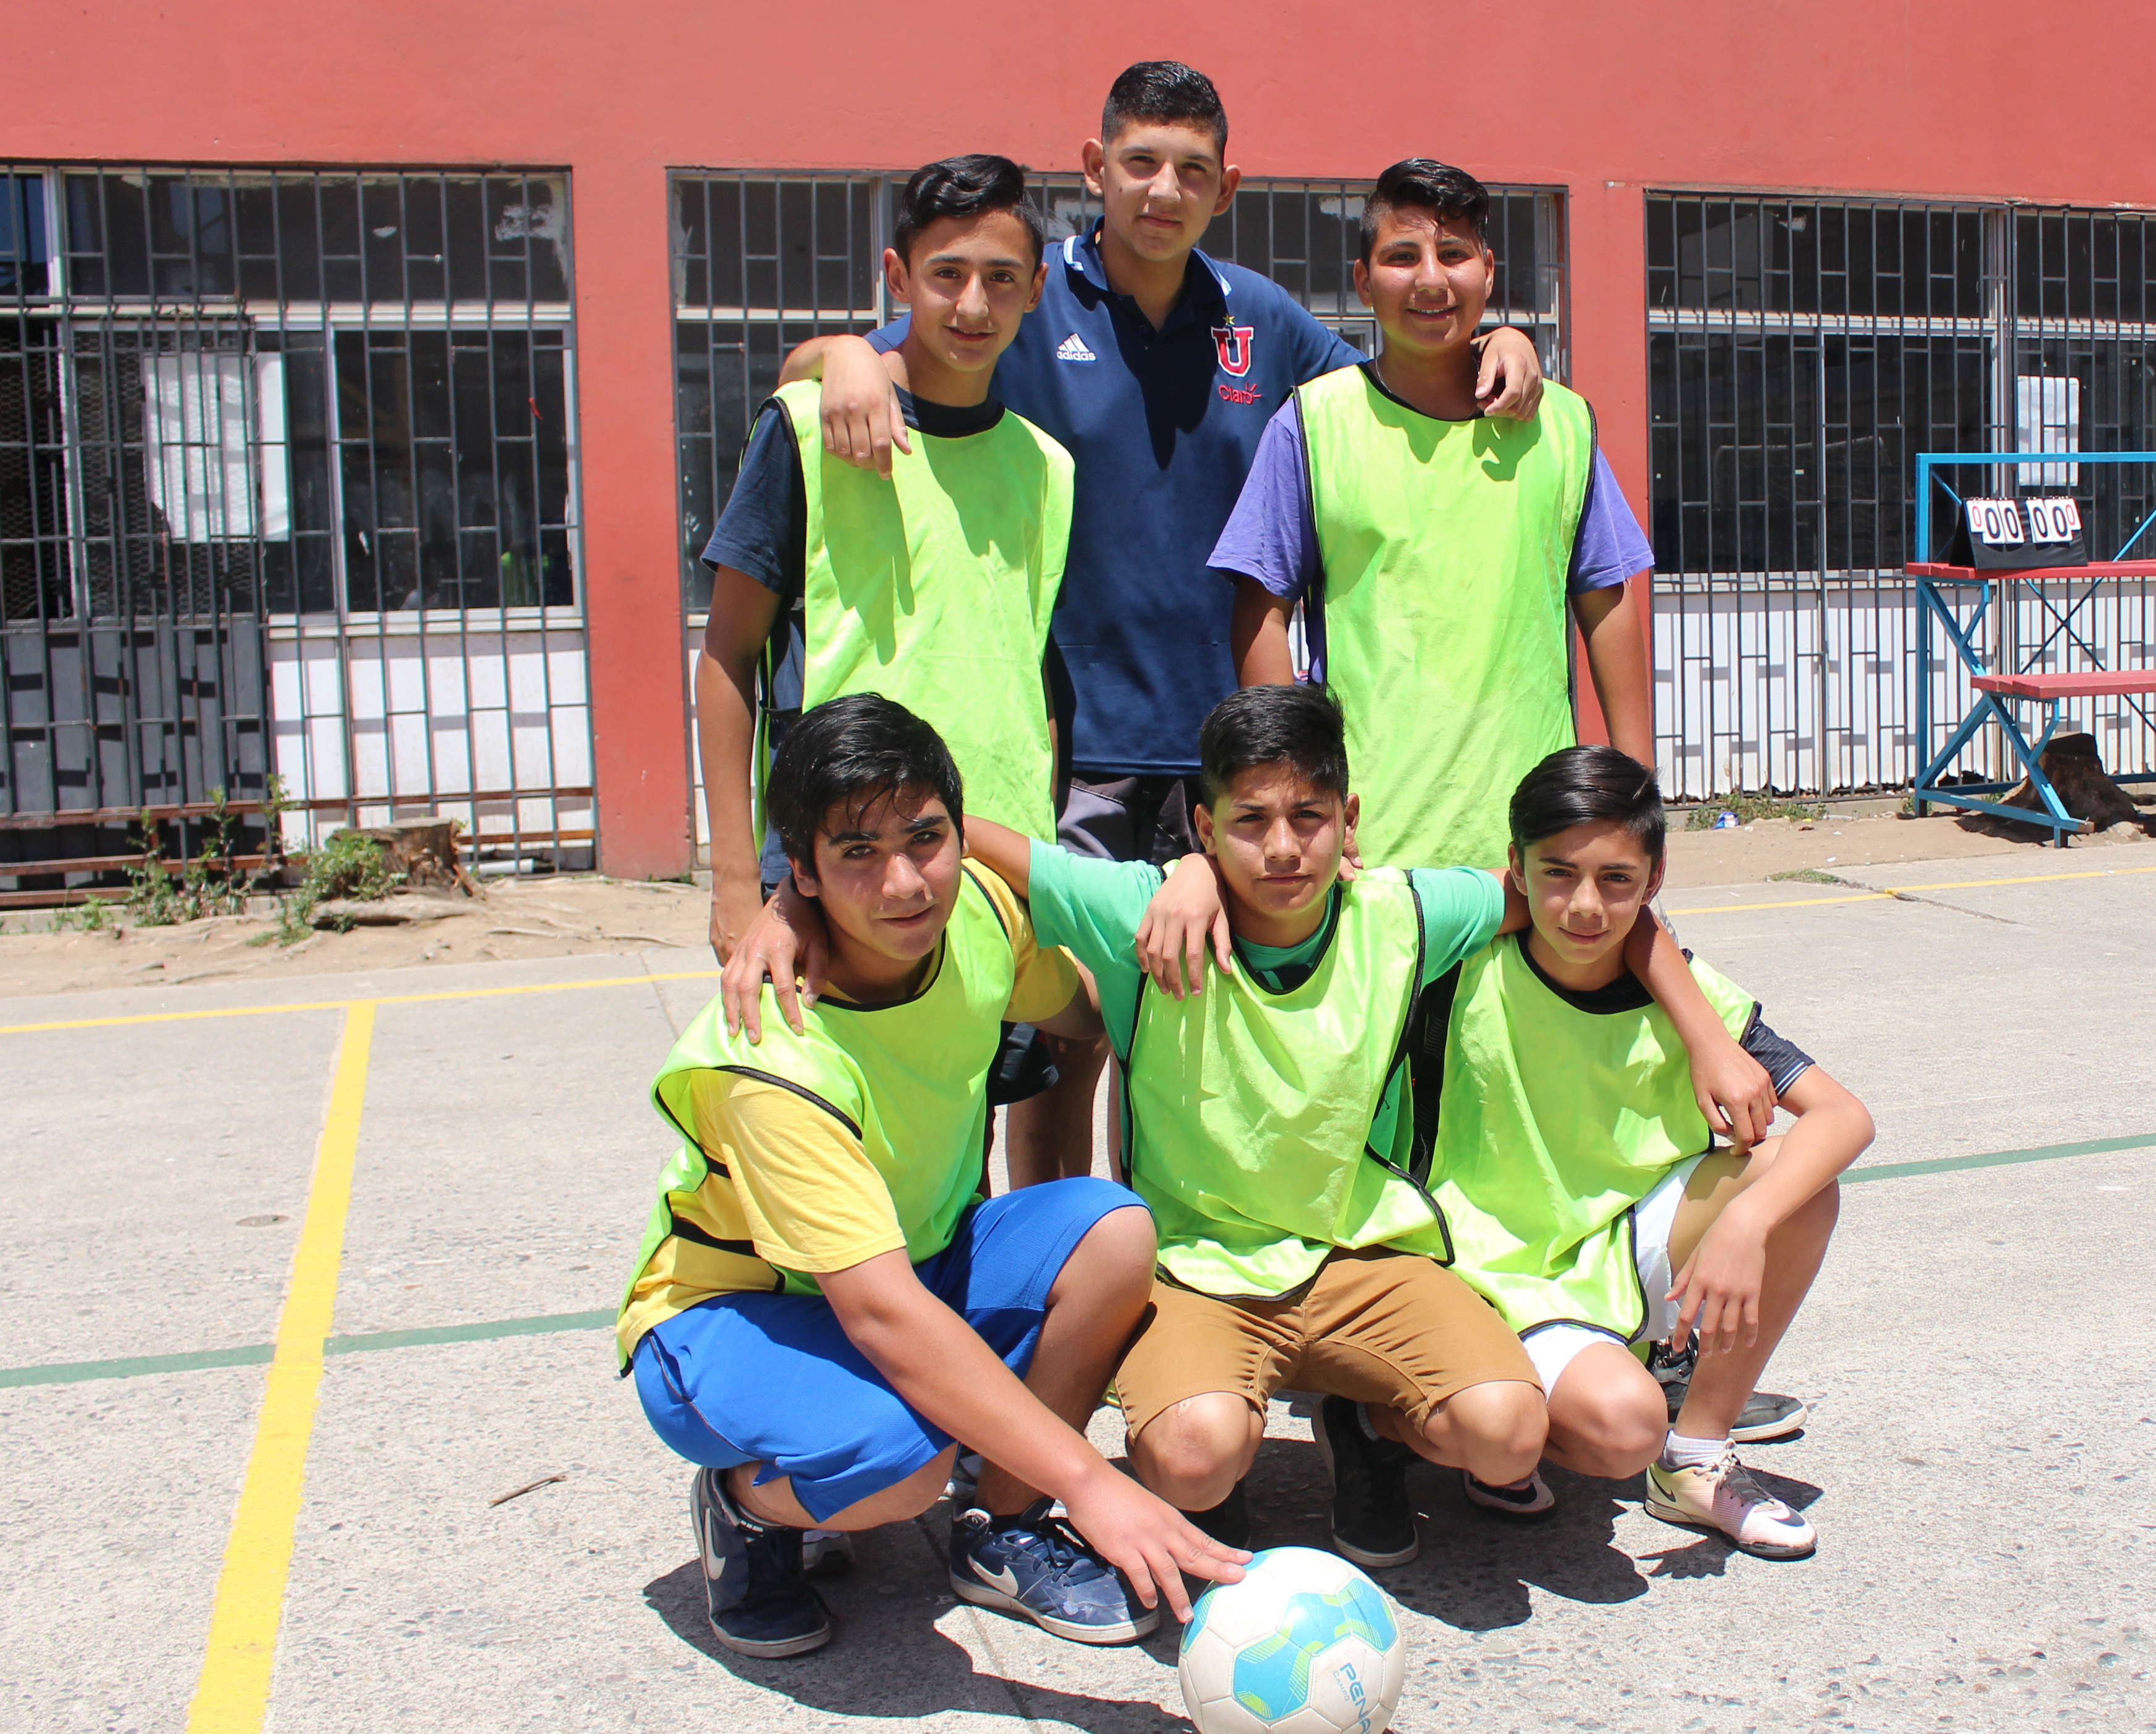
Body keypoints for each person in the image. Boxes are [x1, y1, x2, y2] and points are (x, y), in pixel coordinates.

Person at [723, 684, 1780, 1570]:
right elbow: (971, 848)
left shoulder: (1408, 912)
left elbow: (1583, 899)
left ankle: (1368, 1424)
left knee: (1508, 1435)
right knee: (1192, 1457)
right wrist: (790, 901)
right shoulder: (1138, 905)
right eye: (1246, 823)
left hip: (1362, 1252)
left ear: (1349, 820)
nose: (1281, 848)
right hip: (1197, 1265)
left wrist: (1702, 1031)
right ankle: (1191, 1460)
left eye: (1307, 818)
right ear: (1201, 827)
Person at [775, 64, 1549, 1181]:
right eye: (1138, 161)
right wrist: (841, 350)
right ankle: (1049, 1247)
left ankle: (1170, 1254)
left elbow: (1396, 386)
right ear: (1096, 168)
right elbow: (865, 368)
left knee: (1191, 1008)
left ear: (1225, 186)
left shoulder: (1260, 319)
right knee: (1059, 1026)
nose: (1161, 189)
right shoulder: (1032, 299)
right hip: (1078, 746)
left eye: (1191, 169)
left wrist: (1501, 338)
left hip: (1224, 752)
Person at [619, 694, 1242, 1661]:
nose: (906, 883)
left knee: (1112, 1230)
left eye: (926, 838)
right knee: (902, 1462)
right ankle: (745, 1506)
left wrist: (1199, 889)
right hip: (737, 1316)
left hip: (921, 1263)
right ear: (805, 868)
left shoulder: (982, 920)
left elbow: (1083, 1008)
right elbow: (880, 1318)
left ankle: (999, 1526)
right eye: (857, 853)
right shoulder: (774, 1058)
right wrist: (1094, 1480)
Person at [695, 154, 1077, 1183]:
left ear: (1037, 291)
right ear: (896, 276)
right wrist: (739, 884)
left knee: (962, 1155)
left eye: (1002, 279)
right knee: (838, 1156)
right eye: (946, 274)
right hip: (846, 870)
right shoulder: (812, 431)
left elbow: (1021, 677)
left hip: (990, 874)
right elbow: (727, 656)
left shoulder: (1047, 468)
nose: (972, 302)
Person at [1421, 747, 1869, 1559]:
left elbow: (1844, 1118)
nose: (1585, 904)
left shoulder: (1689, 992)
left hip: (1621, 1242)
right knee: (1619, 1430)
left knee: (1801, 1185)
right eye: (1558, 874)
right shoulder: (1462, 967)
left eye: (1616, 880)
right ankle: (1483, 1418)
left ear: (1654, 881)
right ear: (1515, 870)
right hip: (1496, 1263)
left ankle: (1695, 1456)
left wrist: (1746, 1224)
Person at [1211, 156, 1654, 872]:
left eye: (1452, 255)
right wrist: (1300, 797)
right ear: (1363, 279)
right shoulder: (1313, 425)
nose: (1430, 280)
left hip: (1536, 845)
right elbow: (1261, 615)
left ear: (1487, 268)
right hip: (1375, 842)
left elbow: (1606, 601)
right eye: (1401, 256)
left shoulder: (1563, 424)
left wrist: (1638, 794)